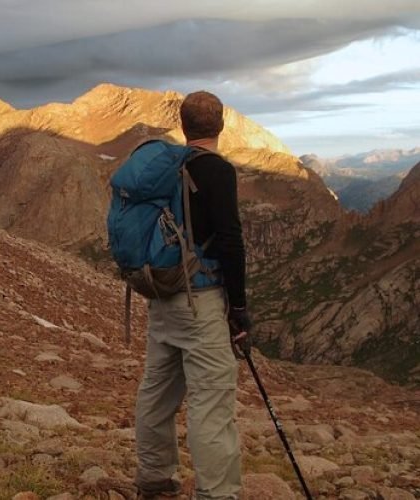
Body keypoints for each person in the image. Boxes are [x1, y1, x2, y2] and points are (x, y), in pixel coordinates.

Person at [134, 91, 252, 500]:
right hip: (200, 300)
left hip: (162, 295)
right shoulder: (216, 170)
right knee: (211, 403)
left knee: (157, 391)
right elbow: (231, 241)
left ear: (184, 125)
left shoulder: (168, 167)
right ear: (220, 125)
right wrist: (238, 308)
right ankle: (217, 493)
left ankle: (154, 478)